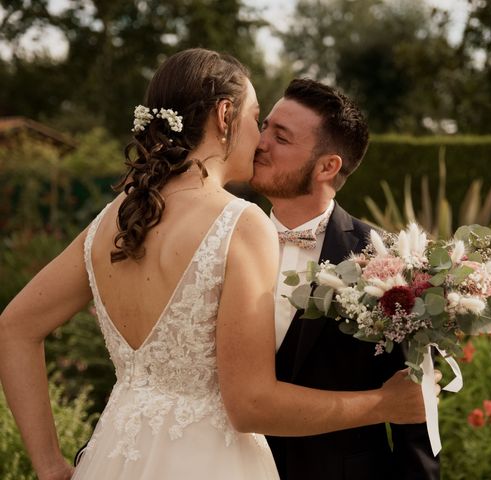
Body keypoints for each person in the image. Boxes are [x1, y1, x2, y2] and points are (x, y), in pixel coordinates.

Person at [0, 49, 437, 480]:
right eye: (256, 118)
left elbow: (13, 327)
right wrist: (384, 405)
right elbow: (250, 404)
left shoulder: (116, 216)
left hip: (115, 458)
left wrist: (51, 466)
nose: (261, 139)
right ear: (225, 115)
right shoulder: (240, 223)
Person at [250, 78, 441, 480]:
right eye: (264, 126)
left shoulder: (390, 260)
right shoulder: (221, 240)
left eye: (280, 137)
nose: (259, 142)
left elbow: (412, 407)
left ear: (327, 166)